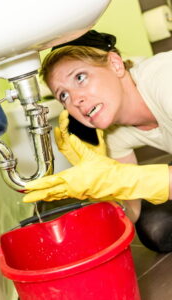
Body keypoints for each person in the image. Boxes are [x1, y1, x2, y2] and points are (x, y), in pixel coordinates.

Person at [23, 30, 172, 252]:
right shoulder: (112, 132)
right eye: (63, 95)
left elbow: (130, 181)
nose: (75, 99)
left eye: (80, 77)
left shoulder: (164, 79)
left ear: (115, 64)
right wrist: (101, 193)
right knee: (154, 229)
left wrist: (125, 179)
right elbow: (132, 211)